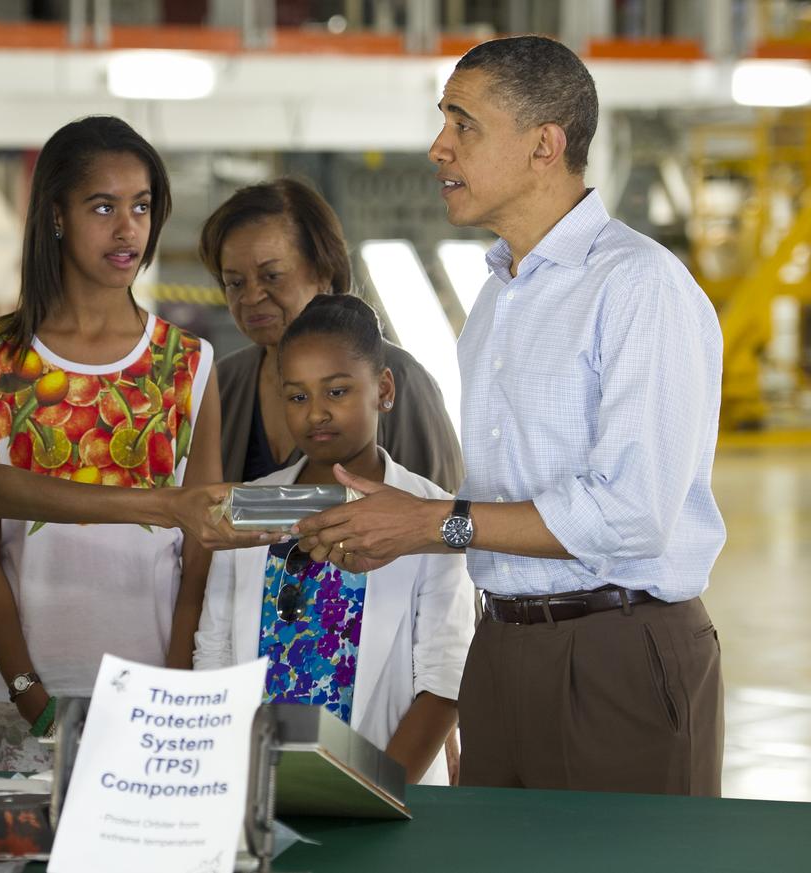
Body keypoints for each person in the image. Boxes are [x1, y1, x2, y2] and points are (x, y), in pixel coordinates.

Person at [296, 36, 726, 795]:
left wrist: (433, 523)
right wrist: (398, 530)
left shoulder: (637, 287)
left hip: (617, 649)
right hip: (501, 645)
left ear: (544, 145)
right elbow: (507, 506)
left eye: (464, 124)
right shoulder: (498, 297)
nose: (439, 148)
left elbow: (631, 514)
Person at [0, 116, 220, 771]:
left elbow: (202, 547)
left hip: (155, 700)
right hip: (18, 698)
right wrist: (26, 688)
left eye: (141, 206)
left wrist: (177, 680)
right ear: (55, 216)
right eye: (102, 206)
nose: (127, 227)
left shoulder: (188, 363)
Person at [195, 295, 473, 784]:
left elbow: (445, 680)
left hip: (387, 786)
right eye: (297, 396)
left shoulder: (426, 510)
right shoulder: (252, 503)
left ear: (383, 389)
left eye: (337, 392)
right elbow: (215, 657)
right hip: (255, 780)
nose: (316, 413)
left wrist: (377, 792)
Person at [198, 178, 464, 493]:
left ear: (324, 271)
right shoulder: (222, 382)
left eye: (272, 276)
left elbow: (442, 512)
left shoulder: (402, 377)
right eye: (235, 283)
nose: (251, 296)